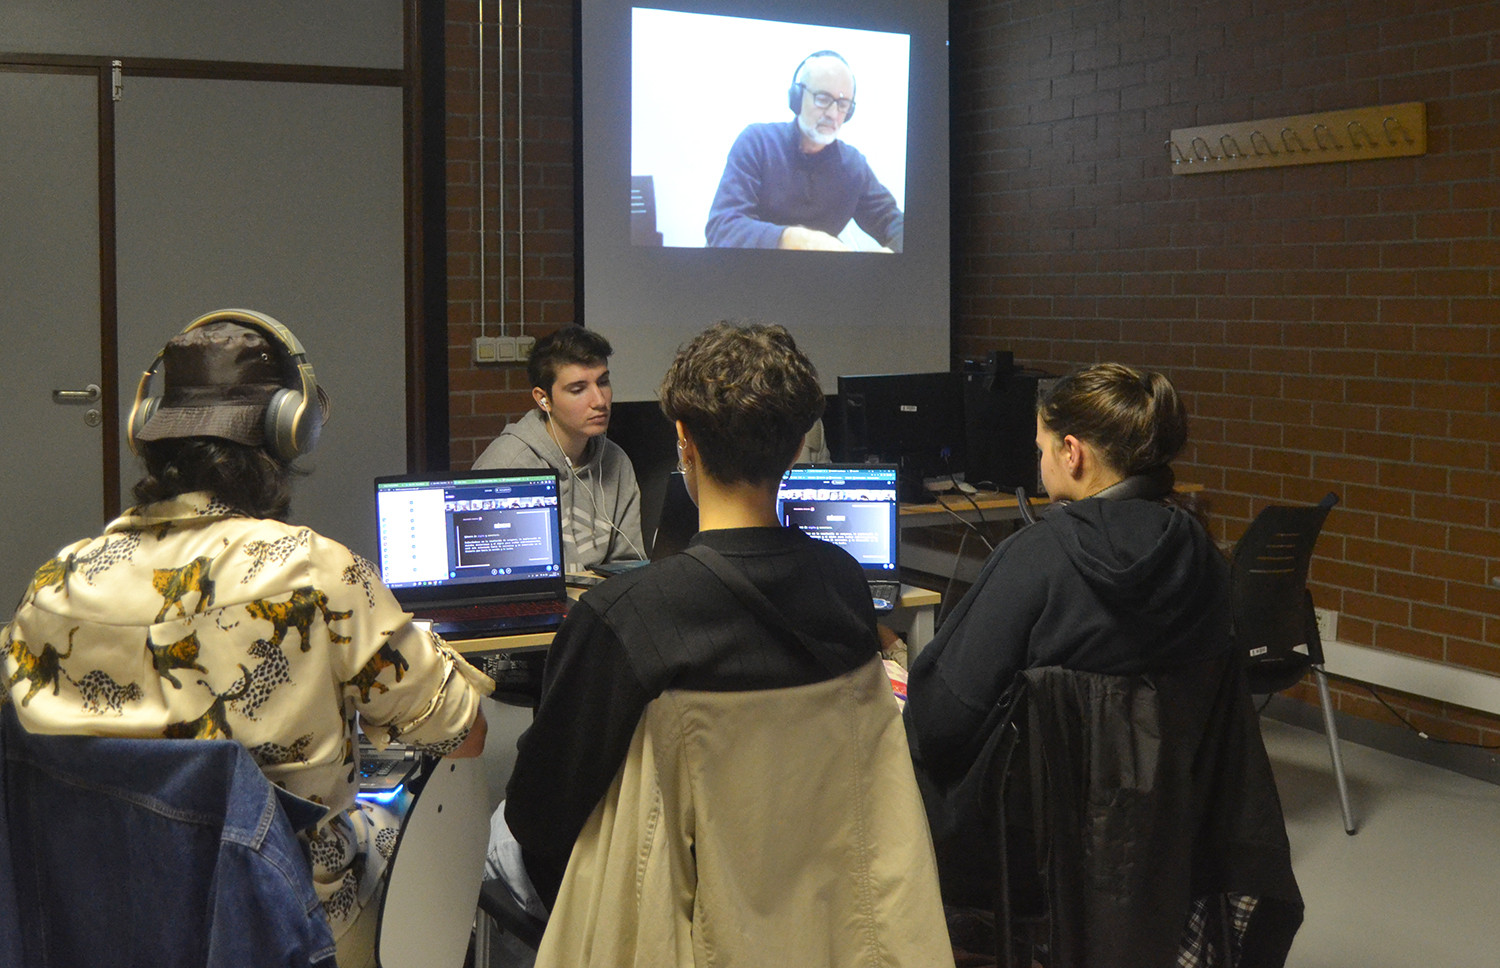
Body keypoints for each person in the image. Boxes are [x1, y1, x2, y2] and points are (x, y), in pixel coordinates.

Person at [1, 311, 492, 968]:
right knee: (407, 817)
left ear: (146, 429)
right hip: (277, 924)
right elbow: (464, 733)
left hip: (98, 927)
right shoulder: (317, 572)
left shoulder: (56, 582)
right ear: (290, 432)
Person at [495, 322, 952, 966]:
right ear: (798, 446)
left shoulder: (623, 618)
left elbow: (538, 818)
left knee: (496, 838)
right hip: (830, 919)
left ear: (682, 442)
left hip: (679, 929)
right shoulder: (845, 586)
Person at [904, 362, 1301, 963]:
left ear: (1072, 452)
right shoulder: (1203, 556)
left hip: (1033, 869)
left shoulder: (1034, 558)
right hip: (1172, 850)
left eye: (1039, 447)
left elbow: (938, 722)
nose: (1036, 463)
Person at [473, 326, 645, 573]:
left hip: (600, 604)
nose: (599, 401)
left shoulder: (615, 460)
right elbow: (492, 576)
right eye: (578, 389)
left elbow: (629, 565)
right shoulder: (507, 464)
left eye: (603, 382)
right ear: (543, 399)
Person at [705, 50, 904, 251]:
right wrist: (800, 240)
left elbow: (895, 223)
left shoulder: (853, 165)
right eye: (823, 98)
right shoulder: (757, 142)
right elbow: (722, 227)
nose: (833, 114)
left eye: (843, 104)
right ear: (797, 97)